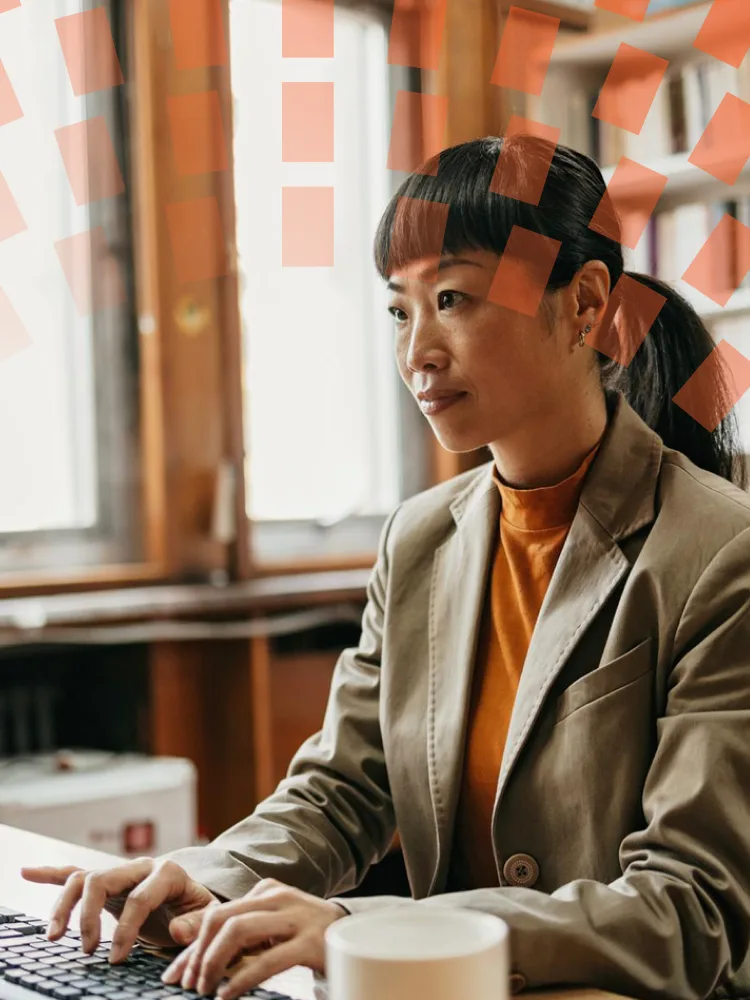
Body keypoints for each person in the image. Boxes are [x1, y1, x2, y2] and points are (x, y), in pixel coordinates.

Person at [22, 134, 750, 1000]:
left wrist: (361, 926)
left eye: (453, 298)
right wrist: (208, 875)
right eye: (401, 311)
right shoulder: (420, 540)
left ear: (584, 304)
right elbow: (341, 790)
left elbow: (692, 908)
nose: (418, 354)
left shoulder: (719, 552)